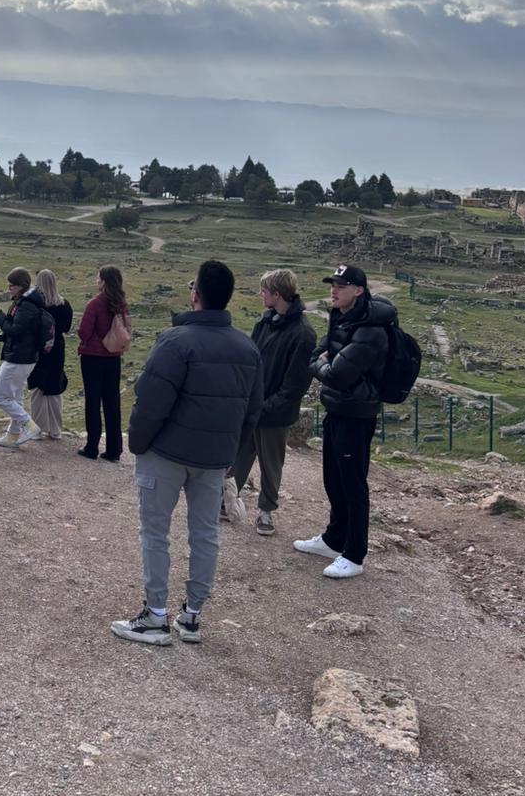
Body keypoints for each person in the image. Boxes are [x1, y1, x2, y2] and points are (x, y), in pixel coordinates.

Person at [112, 260, 262, 648]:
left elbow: (150, 401)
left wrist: (137, 443)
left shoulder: (175, 341)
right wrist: (231, 455)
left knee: (155, 532)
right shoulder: (247, 348)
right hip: (214, 459)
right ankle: (192, 616)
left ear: (196, 294)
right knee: (205, 534)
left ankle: (155, 616)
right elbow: (251, 412)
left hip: (166, 452)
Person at [295, 263, 393, 580]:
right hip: (338, 408)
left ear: (359, 291)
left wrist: (322, 364)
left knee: (352, 484)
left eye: (341, 285)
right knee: (333, 479)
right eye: (332, 284)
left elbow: (337, 374)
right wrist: (324, 363)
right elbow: (318, 355)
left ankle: (354, 554)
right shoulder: (343, 317)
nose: (333, 291)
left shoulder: (370, 329)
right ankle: (333, 540)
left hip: (356, 414)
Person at [230, 269, 316, 536]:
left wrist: (266, 407)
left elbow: (295, 386)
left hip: (275, 413)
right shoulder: (265, 321)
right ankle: (228, 500)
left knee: (271, 463)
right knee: (241, 454)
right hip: (253, 405)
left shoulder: (303, 334)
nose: (260, 294)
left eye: (264, 290)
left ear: (277, 294)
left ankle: (265, 511)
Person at [0, 269, 51, 447]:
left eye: (11, 286)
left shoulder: (26, 305)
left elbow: (15, 331)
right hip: (25, 356)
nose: (9, 289)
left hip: (18, 357)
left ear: (21, 286)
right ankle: (12, 435)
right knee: (15, 397)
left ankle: (28, 424)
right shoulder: (25, 302)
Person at [76, 265, 130, 462]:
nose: (96, 281)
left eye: (98, 278)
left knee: (93, 402)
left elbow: (84, 332)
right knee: (112, 402)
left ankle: (92, 447)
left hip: (92, 358)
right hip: (113, 357)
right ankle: (114, 449)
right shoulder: (121, 303)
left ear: (105, 281)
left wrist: (80, 331)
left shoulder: (95, 304)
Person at [25, 268, 73, 440]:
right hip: (57, 348)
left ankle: (37, 429)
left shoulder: (35, 304)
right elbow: (66, 328)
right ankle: (55, 429)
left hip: (38, 348)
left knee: (36, 387)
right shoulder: (64, 304)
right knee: (54, 386)